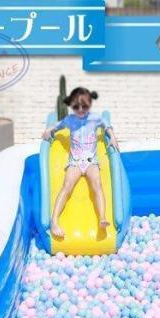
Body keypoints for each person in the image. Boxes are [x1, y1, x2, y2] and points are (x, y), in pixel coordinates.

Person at [42, 87, 119, 238]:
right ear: (72, 106)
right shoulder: (69, 120)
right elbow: (56, 127)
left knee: (97, 185)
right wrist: (48, 131)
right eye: (77, 107)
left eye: (85, 106)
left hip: (91, 161)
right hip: (75, 162)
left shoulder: (95, 118)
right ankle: (54, 221)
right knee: (66, 187)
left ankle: (102, 218)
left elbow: (107, 125)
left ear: (90, 104)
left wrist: (113, 137)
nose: (81, 110)